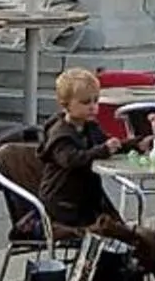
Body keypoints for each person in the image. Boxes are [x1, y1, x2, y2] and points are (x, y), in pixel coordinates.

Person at [33, 67, 126, 231]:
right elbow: (71, 159)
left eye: (95, 101)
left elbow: (108, 143)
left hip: (86, 198)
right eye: (85, 102)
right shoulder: (60, 134)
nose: (92, 107)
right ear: (65, 104)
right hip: (63, 203)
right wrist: (103, 149)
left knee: (118, 227)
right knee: (111, 228)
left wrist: (134, 144)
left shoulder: (90, 127)